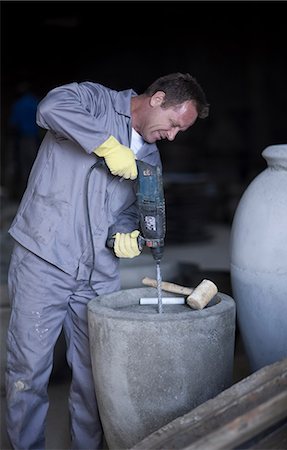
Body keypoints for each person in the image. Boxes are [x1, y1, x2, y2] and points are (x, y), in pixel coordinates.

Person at [5, 72, 209, 449]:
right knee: (27, 373)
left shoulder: (150, 158)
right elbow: (49, 108)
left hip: (97, 273)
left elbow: (132, 211)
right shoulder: (95, 101)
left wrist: (123, 237)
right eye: (174, 124)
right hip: (44, 257)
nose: (174, 135)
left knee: (93, 378)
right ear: (157, 99)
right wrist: (106, 145)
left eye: (182, 131)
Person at [8, 81, 41, 198]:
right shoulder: (35, 102)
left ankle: (24, 193)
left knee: (24, 166)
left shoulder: (18, 104)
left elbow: (13, 123)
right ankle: (36, 192)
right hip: (35, 139)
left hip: (23, 139)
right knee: (36, 165)